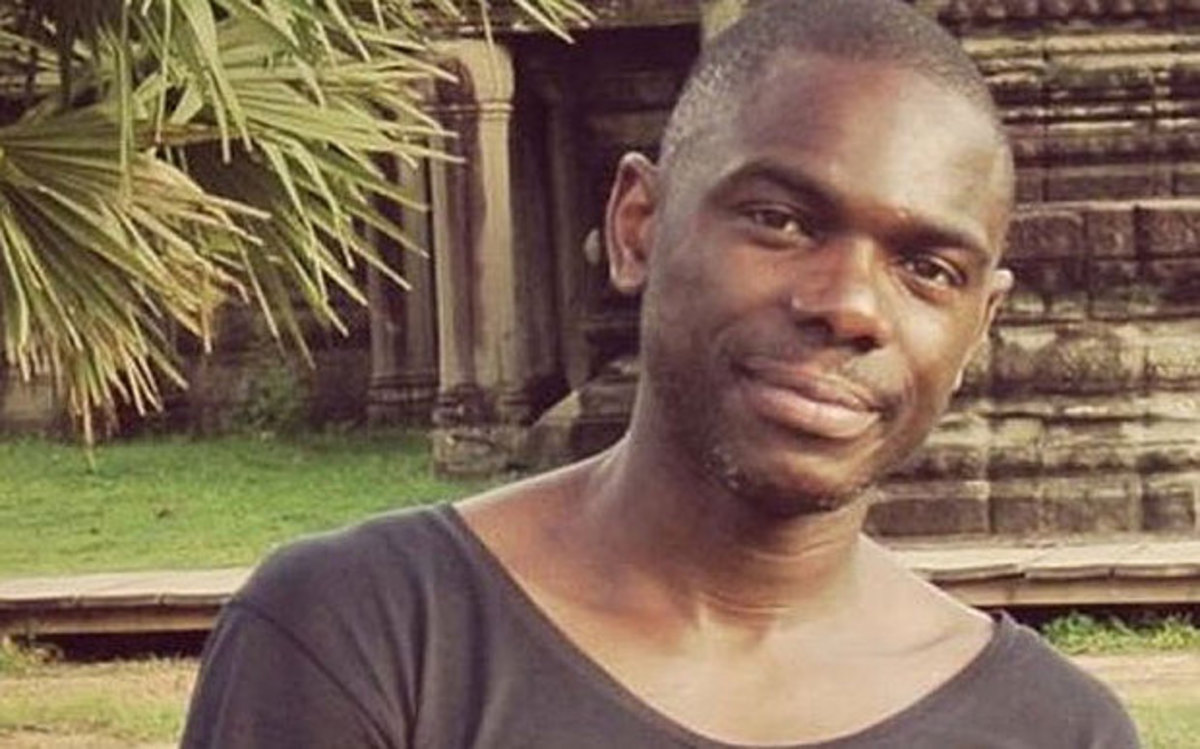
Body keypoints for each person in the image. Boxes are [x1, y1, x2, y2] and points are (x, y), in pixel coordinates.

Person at [183, 1, 1140, 746]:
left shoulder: (1056, 729)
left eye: (927, 268)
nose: (850, 305)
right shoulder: (373, 636)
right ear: (637, 226)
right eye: (781, 220)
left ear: (977, 328)